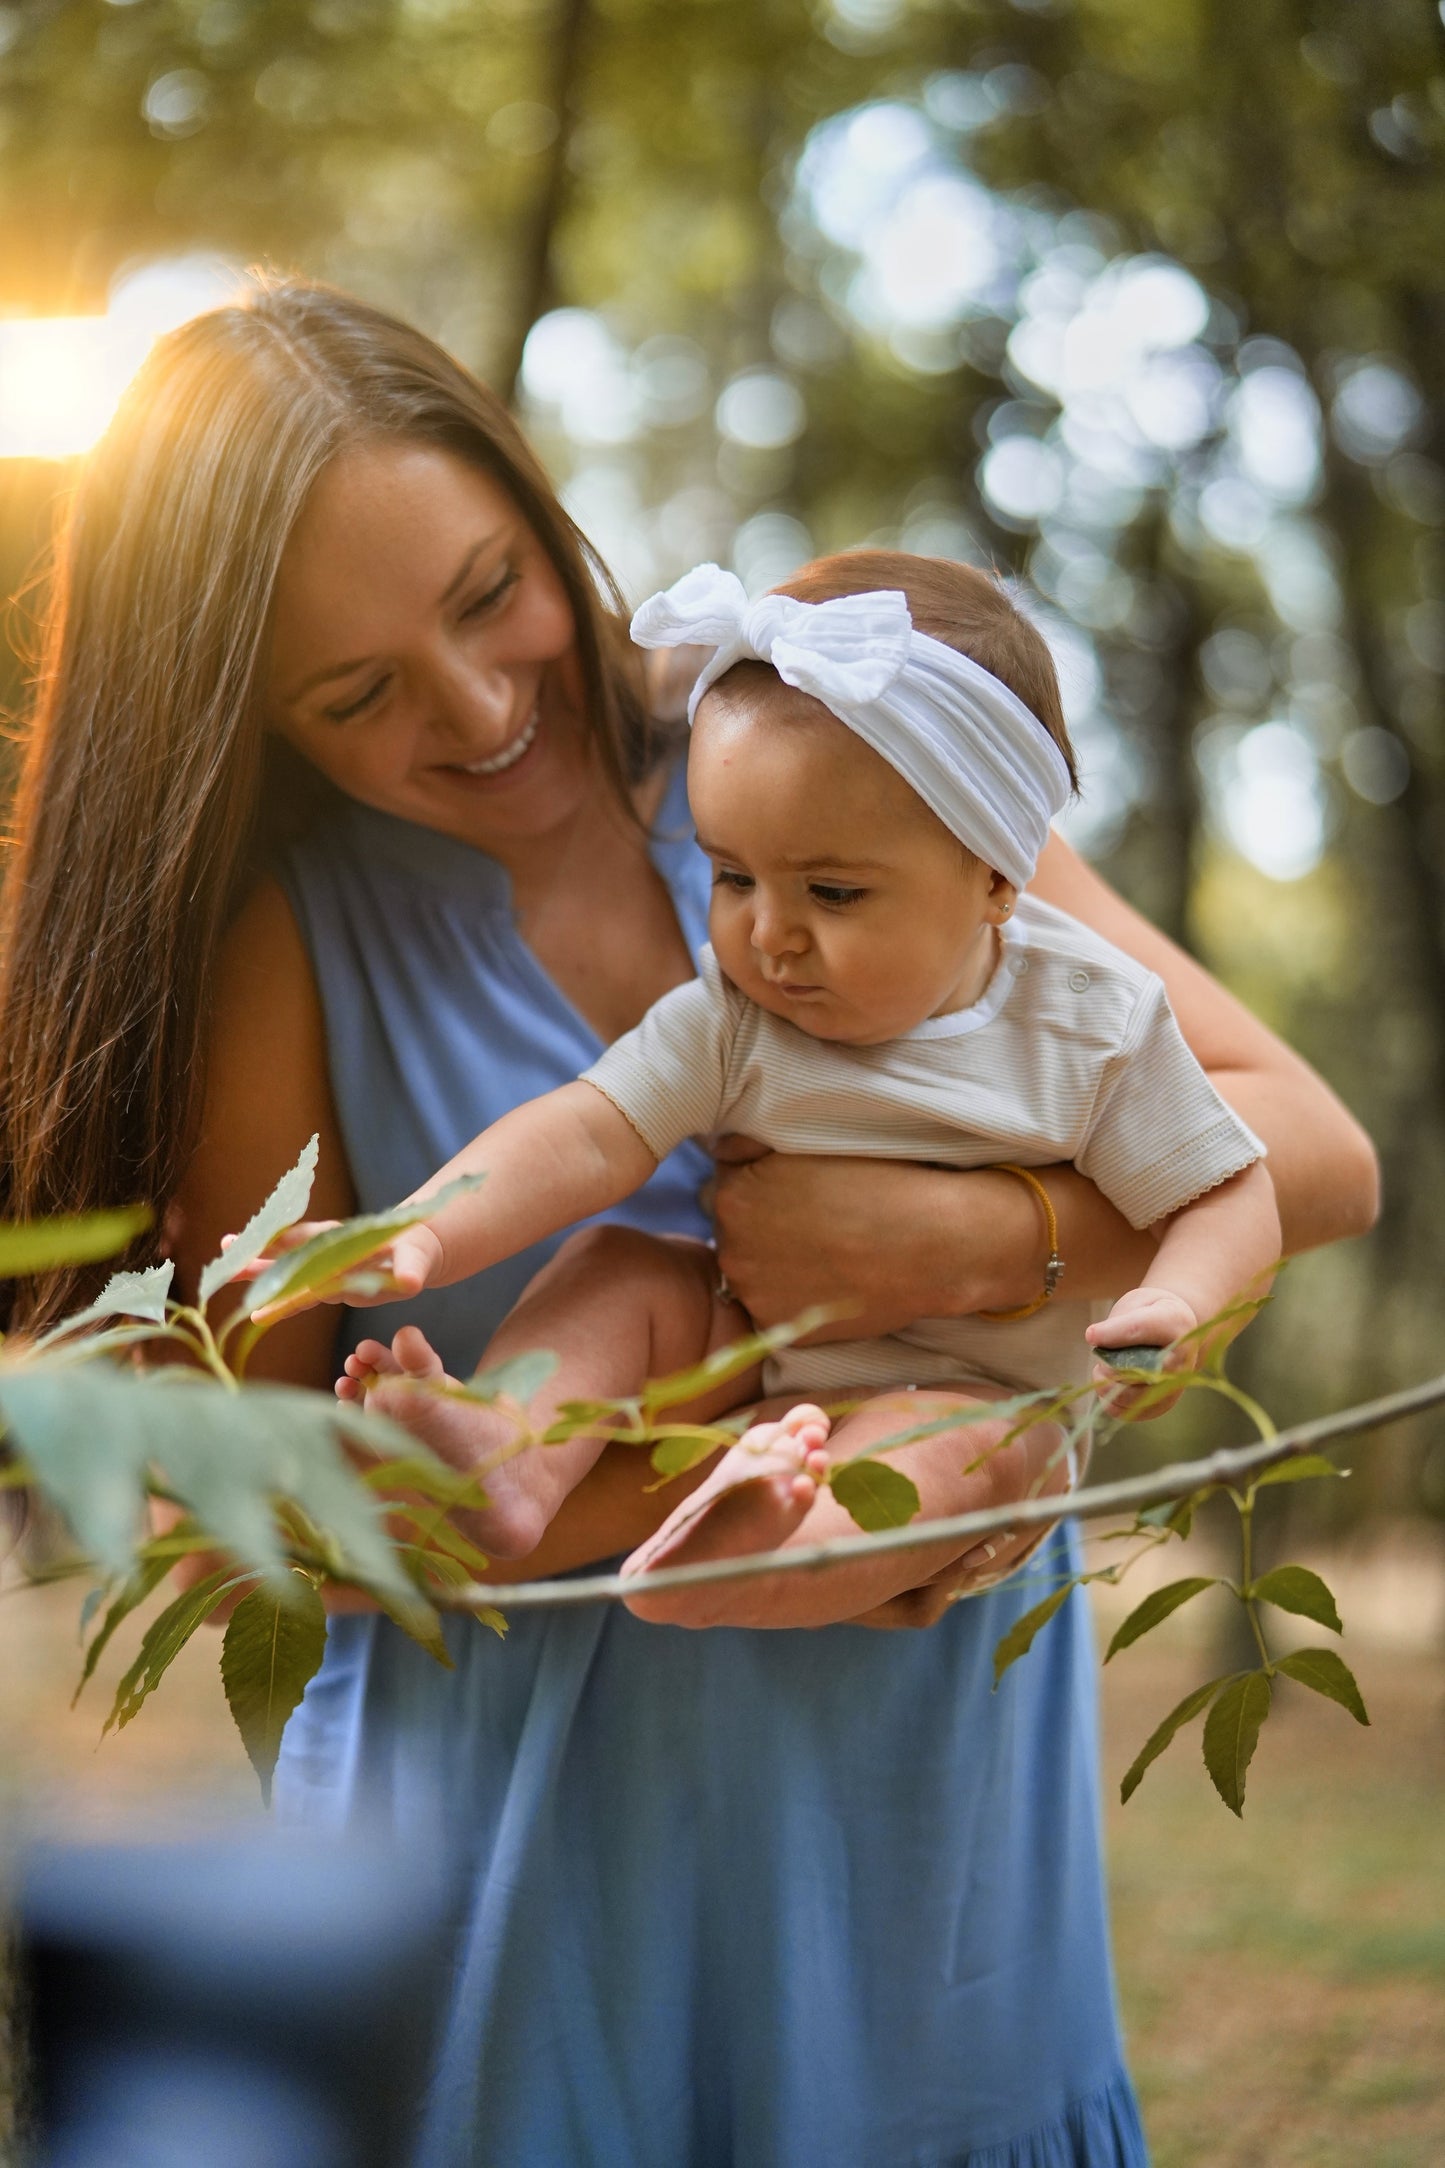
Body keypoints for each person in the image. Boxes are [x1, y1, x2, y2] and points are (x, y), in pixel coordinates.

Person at [0, 280, 1379, 2167]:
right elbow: (245, 1503)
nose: (481, 706)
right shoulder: (291, 945)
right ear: (250, 709)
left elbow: (1309, 1150)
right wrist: (790, 1485)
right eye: (359, 692)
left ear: (535, 504)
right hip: (539, 1891)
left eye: (489, 596)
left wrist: (989, 1250)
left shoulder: (859, 753)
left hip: (925, 1868)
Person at [281, 554, 1278, 1624]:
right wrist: (424, 1230)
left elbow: (1226, 1191)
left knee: (988, 1448)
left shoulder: (1089, 1021)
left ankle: (772, 1550)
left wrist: (1176, 1303)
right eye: (730, 875)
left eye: (832, 891)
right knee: (620, 1267)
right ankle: (512, 1451)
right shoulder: (739, 1013)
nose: (766, 932)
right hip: (747, 1348)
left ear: (995, 876)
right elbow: (584, 1133)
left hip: (968, 1389)